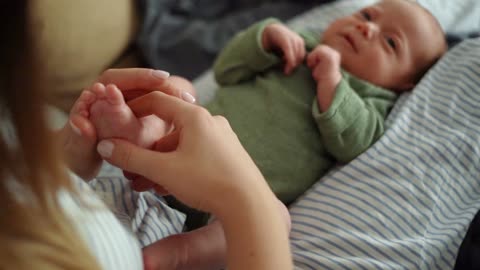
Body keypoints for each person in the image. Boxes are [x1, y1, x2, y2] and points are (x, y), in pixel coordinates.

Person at [0, 2, 292, 270]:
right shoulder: (305, 46)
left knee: (277, 214)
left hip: (154, 187)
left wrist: (65, 158)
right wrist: (246, 198)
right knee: (276, 217)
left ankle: (138, 135)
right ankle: (139, 135)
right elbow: (227, 67)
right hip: (166, 191)